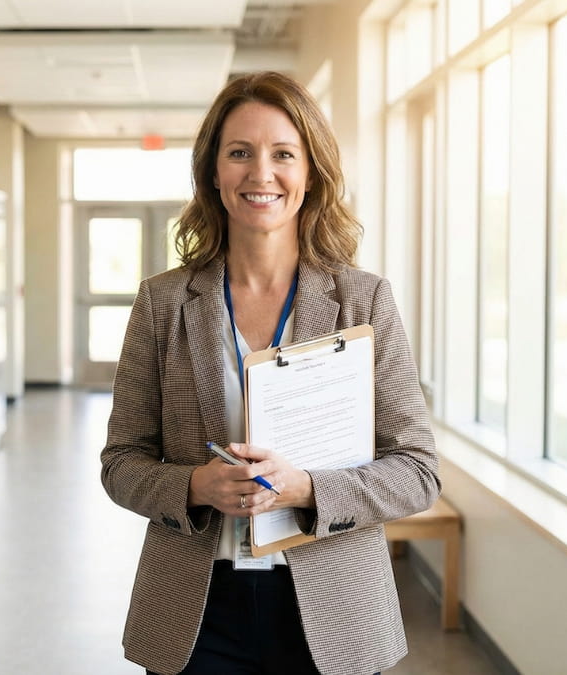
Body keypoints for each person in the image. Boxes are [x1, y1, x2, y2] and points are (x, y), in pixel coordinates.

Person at [100, 71, 440, 675]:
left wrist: (305, 489)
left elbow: (417, 470)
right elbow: (121, 463)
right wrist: (195, 486)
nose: (261, 173)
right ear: (213, 172)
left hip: (335, 609)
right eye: (240, 152)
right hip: (196, 612)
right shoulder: (164, 302)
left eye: (283, 154)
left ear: (311, 173)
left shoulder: (362, 301)